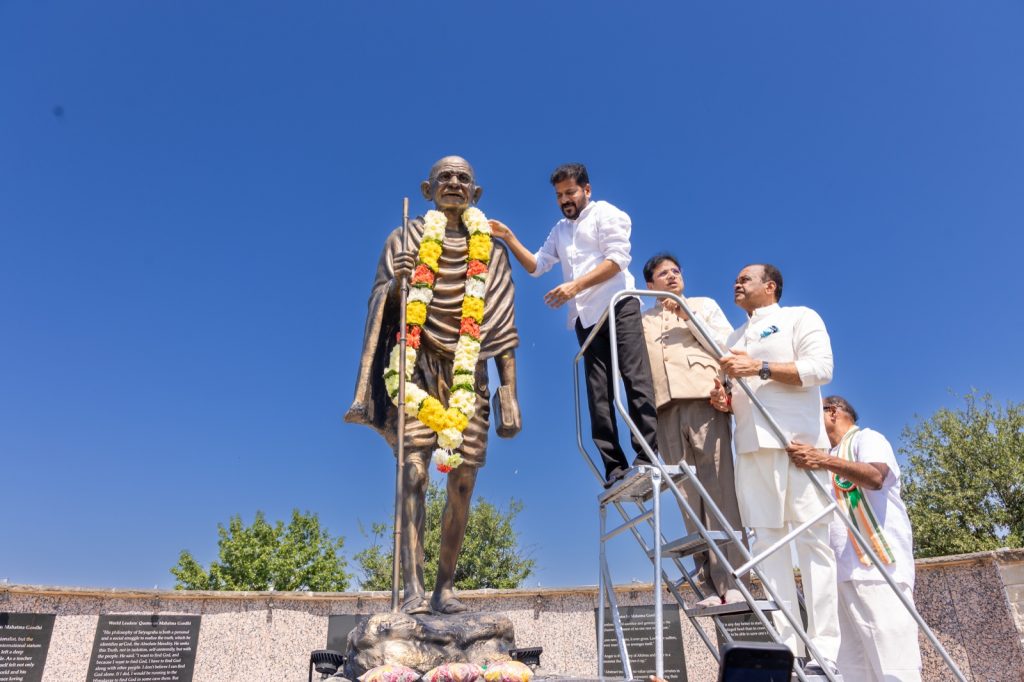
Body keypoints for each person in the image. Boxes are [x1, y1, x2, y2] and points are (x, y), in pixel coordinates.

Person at [345, 156, 521, 615]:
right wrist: (399, 283)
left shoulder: (494, 254)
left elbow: (501, 327)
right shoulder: (403, 239)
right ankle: (413, 590)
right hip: (415, 365)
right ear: (427, 189)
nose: (454, 184)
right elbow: (381, 307)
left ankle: (446, 587)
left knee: (462, 483)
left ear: (476, 194)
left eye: (464, 178)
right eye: (445, 177)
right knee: (414, 474)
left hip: (469, 377)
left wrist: (510, 396)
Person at [489, 163, 658, 486]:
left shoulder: (607, 213)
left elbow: (618, 260)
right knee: (598, 393)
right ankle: (614, 466)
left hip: (617, 305)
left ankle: (647, 454)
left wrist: (574, 286)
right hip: (584, 318)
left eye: (570, 193)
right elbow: (538, 266)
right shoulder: (559, 230)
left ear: (586, 190)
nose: (565, 200)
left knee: (634, 378)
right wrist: (508, 236)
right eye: (559, 195)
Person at [710, 264, 840, 677]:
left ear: (770, 286)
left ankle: (823, 655)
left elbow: (821, 369)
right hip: (751, 451)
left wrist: (761, 368)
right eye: (736, 279)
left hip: (798, 447)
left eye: (745, 278)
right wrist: (725, 400)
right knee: (769, 552)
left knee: (814, 547)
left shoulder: (799, 317)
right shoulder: (732, 339)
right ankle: (787, 653)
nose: (737, 283)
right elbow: (735, 391)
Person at [640, 253, 749, 607]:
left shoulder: (702, 305)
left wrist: (688, 316)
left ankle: (733, 578)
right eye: (663, 273)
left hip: (705, 398)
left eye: (676, 271)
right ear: (649, 285)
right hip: (664, 408)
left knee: (719, 486)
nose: (672, 277)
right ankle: (707, 582)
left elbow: (724, 348)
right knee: (687, 496)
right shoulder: (641, 320)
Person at [787, 395, 922, 681]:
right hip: (839, 578)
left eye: (814, 412)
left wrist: (823, 459)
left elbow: (875, 476)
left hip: (878, 571)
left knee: (895, 667)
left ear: (833, 412)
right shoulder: (826, 456)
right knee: (852, 671)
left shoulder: (867, 439)